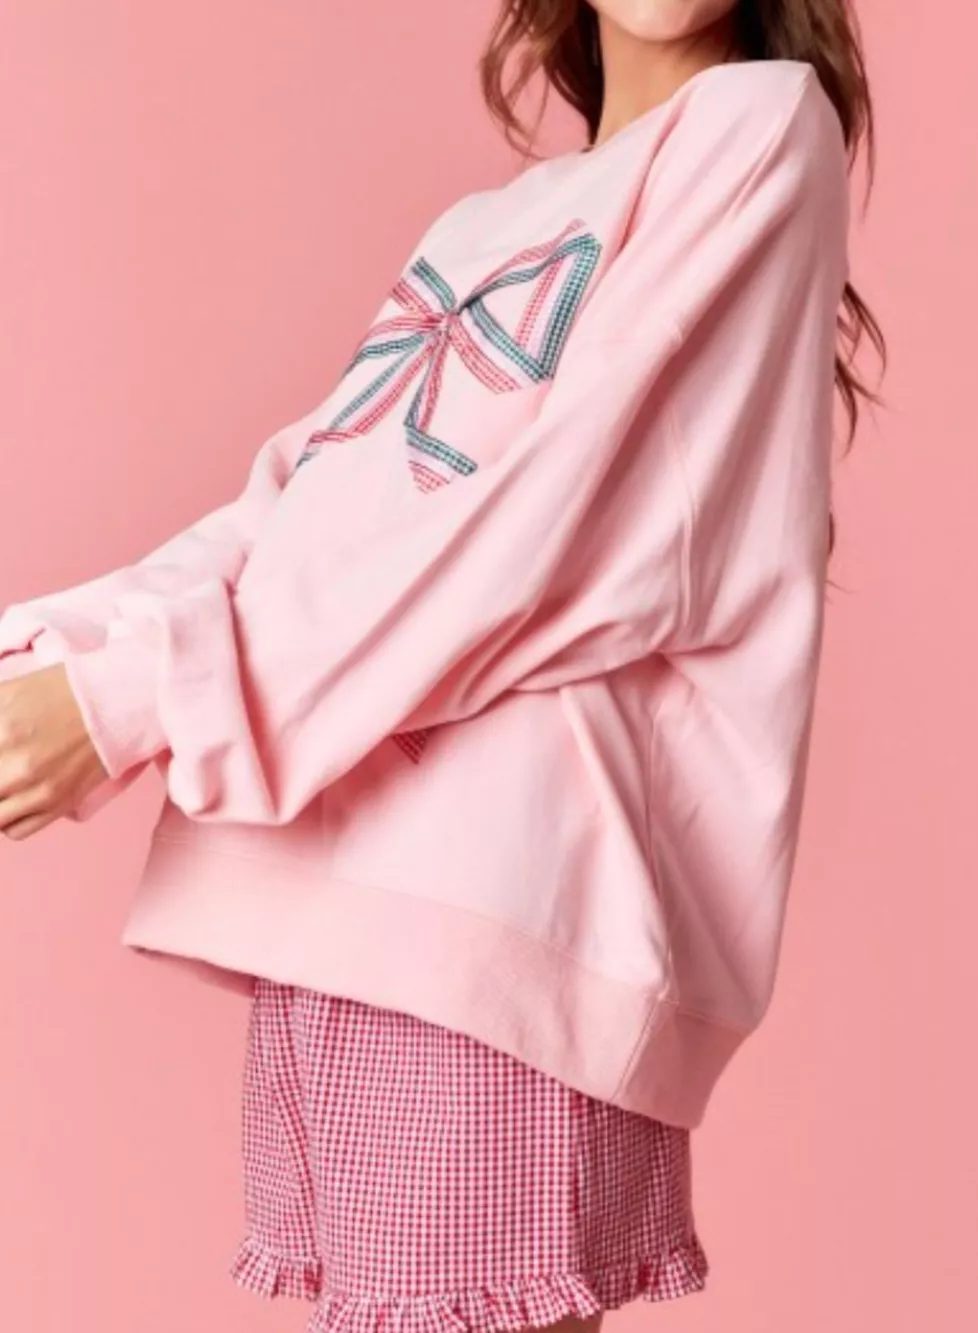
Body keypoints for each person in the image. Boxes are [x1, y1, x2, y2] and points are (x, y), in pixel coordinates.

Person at [0, 2, 884, 1330]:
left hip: (507, 919)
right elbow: (297, 512)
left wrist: (135, 699)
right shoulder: (483, 229)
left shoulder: (758, 129)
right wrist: (62, 653)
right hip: (347, 901)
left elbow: (544, 528)